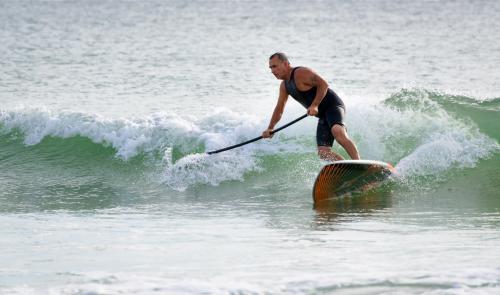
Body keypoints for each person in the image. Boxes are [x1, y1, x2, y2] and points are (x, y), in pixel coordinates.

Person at [262, 52, 360, 161]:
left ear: (285, 64)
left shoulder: (300, 73)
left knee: (337, 131)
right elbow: (279, 108)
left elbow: (323, 84)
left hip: (333, 106)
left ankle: (359, 163)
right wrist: (270, 127)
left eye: (275, 66)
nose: (272, 71)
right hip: (323, 115)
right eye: (270, 68)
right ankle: (348, 170)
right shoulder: (284, 86)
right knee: (323, 153)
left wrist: (315, 105)